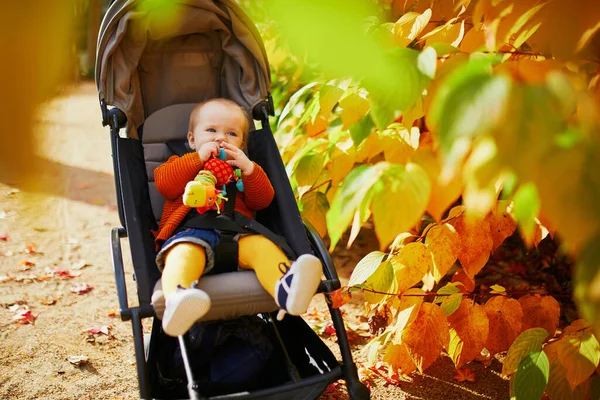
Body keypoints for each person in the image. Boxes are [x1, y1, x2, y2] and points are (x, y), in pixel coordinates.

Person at [154, 98, 323, 337]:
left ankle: (287, 288)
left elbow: (262, 201)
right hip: (191, 233)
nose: (220, 138)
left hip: (239, 235)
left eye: (231, 133)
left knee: (263, 247)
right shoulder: (179, 164)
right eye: (211, 130)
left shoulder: (242, 172)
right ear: (192, 139)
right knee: (182, 253)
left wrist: (250, 169)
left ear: (242, 145)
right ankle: (179, 298)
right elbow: (165, 185)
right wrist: (198, 159)